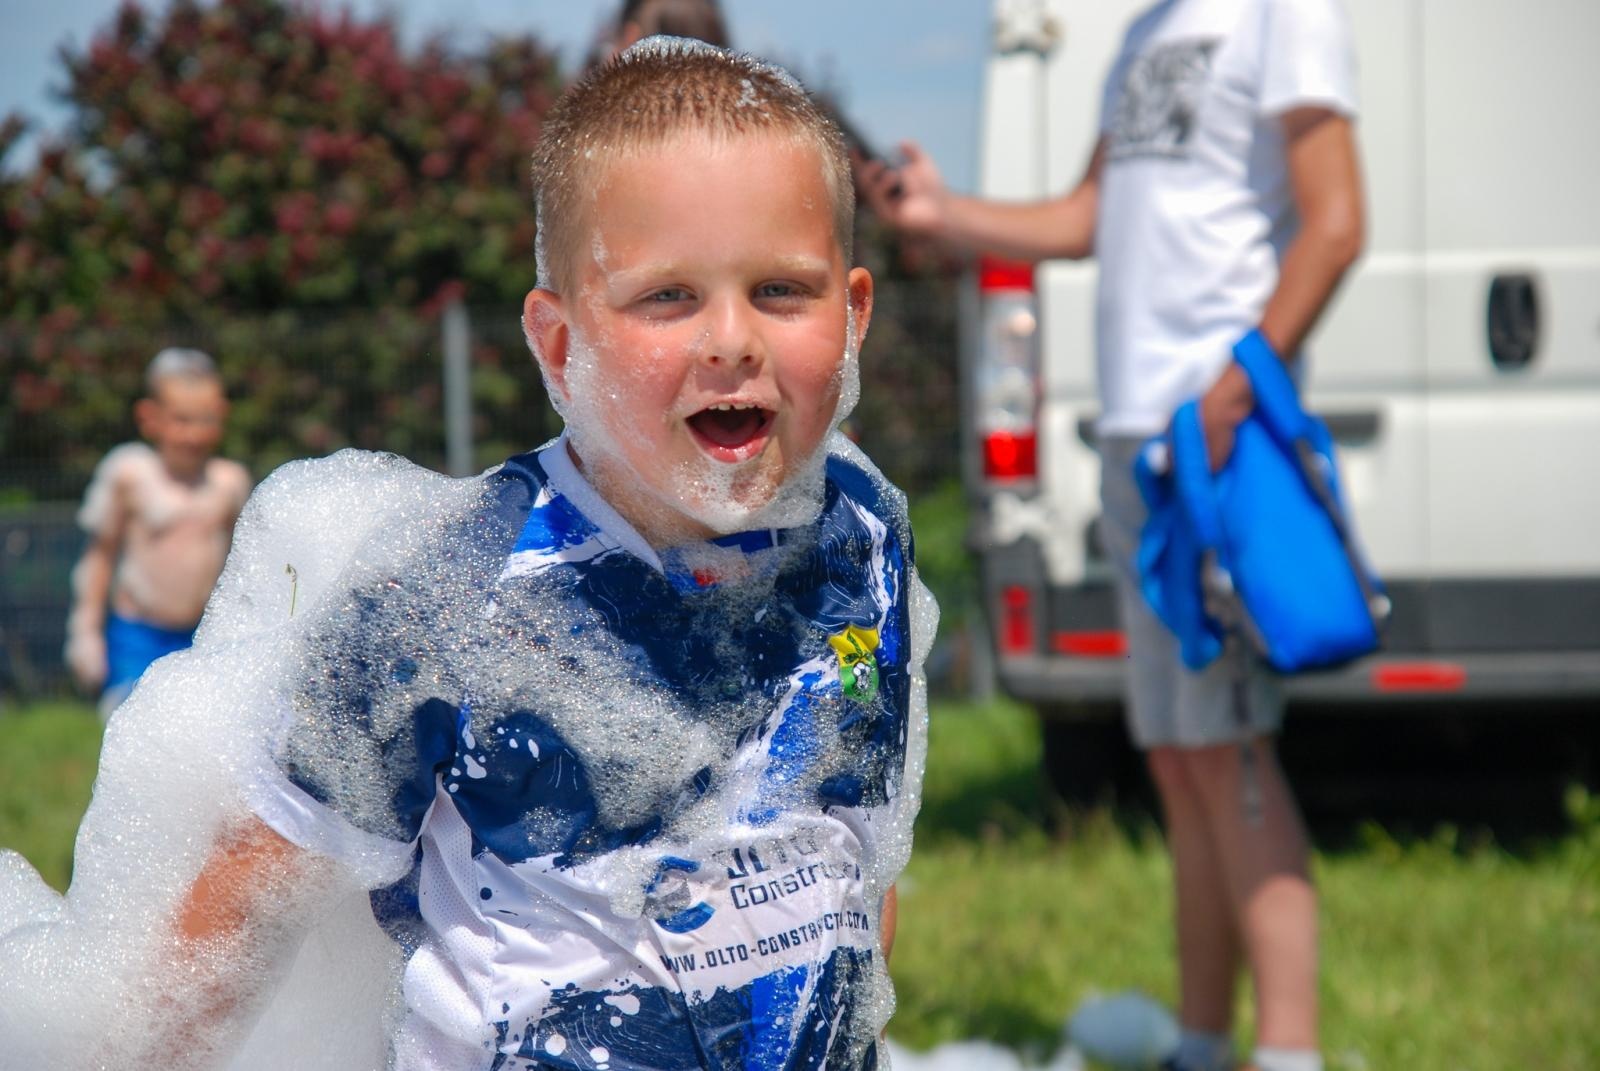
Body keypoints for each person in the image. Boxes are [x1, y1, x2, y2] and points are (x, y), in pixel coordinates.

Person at [1, 39, 931, 1071]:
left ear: (852, 316)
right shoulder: (448, 595)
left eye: (780, 291)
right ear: (560, 341)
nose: (732, 339)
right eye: (667, 297)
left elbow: (851, 827)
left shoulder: (861, 534)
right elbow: (239, 905)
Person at [859, 3, 1363, 1071]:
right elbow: (1091, 214)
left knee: (1232, 750)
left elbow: (1335, 221)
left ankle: (1289, 1051)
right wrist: (947, 214)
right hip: (1140, 438)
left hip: (1213, 441)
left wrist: (1232, 391)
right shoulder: (1141, 34)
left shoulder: (1286, 12)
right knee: (1180, 759)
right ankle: (1199, 1042)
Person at [64, 347, 252, 716]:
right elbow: (99, 556)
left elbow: (245, 566)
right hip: (137, 634)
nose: (194, 434)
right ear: (150, 418)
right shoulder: (129, 473)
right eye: (182, 419)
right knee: (136, 730)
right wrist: (84, 632)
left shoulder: (229, 483)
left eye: (206, 419)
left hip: (201, 635)